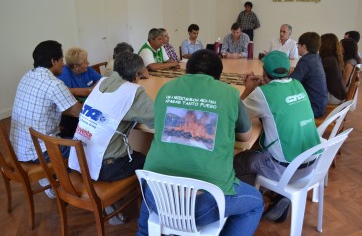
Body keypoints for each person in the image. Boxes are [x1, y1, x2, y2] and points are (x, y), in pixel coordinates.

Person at [137, 49, 264, 236]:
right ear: (218, 75)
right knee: (255, 203)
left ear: (186, 71)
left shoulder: (166, 89)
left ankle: (143, 231)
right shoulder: (229, 93)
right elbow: (245, 137)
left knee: (154, 184)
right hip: (201, 206)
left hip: (156, 197)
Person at [234, 50, 321, 223]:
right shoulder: (297, 84)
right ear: (288, 72)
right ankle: (278, 196)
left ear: (264, 73)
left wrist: (248, 89)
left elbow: (237, 116)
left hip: (285, 170)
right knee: (260, 149)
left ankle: (251, 204)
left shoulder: (263, 94)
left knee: (238, 161)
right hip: (311, 166)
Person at [69, 51, 154, 225]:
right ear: (138, 74)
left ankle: (111, 201)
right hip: (107, 166)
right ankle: (151, 212)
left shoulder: (102, 82)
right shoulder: (133, 91)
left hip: (81, 158)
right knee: (150, 161)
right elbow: (157, 120)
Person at [10, 40, 82, 198]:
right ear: (53, 61)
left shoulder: (27, 76)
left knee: (65, 129)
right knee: (84, 149)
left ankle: (50, 181)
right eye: (61, 60)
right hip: (38, 151)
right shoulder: (53, 84)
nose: (63, 64)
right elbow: (79, 113)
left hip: (19, 147)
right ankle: (79, 190)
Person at [57, 47, 102, 138]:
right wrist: (83, 91)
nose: (88, 63)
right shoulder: (64, 75)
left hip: (89, 105)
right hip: (72, 114)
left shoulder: (87, 69)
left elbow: (101, 80)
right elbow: (63, 92)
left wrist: (91, 90)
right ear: (76, 67)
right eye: (85, 62)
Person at [289, 32, 328, 118]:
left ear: (304, 46)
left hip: (312, 108)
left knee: (281, 105)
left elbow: (291, 83)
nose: (297, 46)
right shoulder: (315, 57)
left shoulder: (305, 61)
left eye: (298, 44)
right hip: (320, 104)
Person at [320, 33, 347, 104]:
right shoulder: (334, 58)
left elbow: (313, 74)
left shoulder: (328, 60)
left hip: (334, 97)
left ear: (325, 45)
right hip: (339, 95)